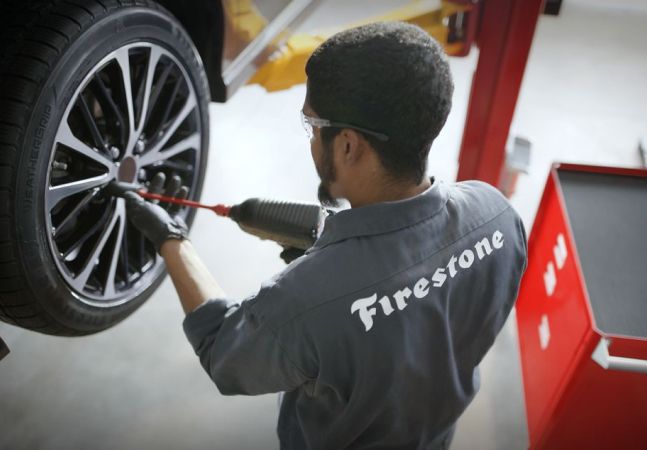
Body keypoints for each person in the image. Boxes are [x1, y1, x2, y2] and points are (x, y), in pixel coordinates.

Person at [124, 22, 527, 450]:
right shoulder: (498, 216)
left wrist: (172, 239)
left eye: (312, 124)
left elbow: (223, 352)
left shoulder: (305, 301)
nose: (312, 139)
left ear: (349, 146)